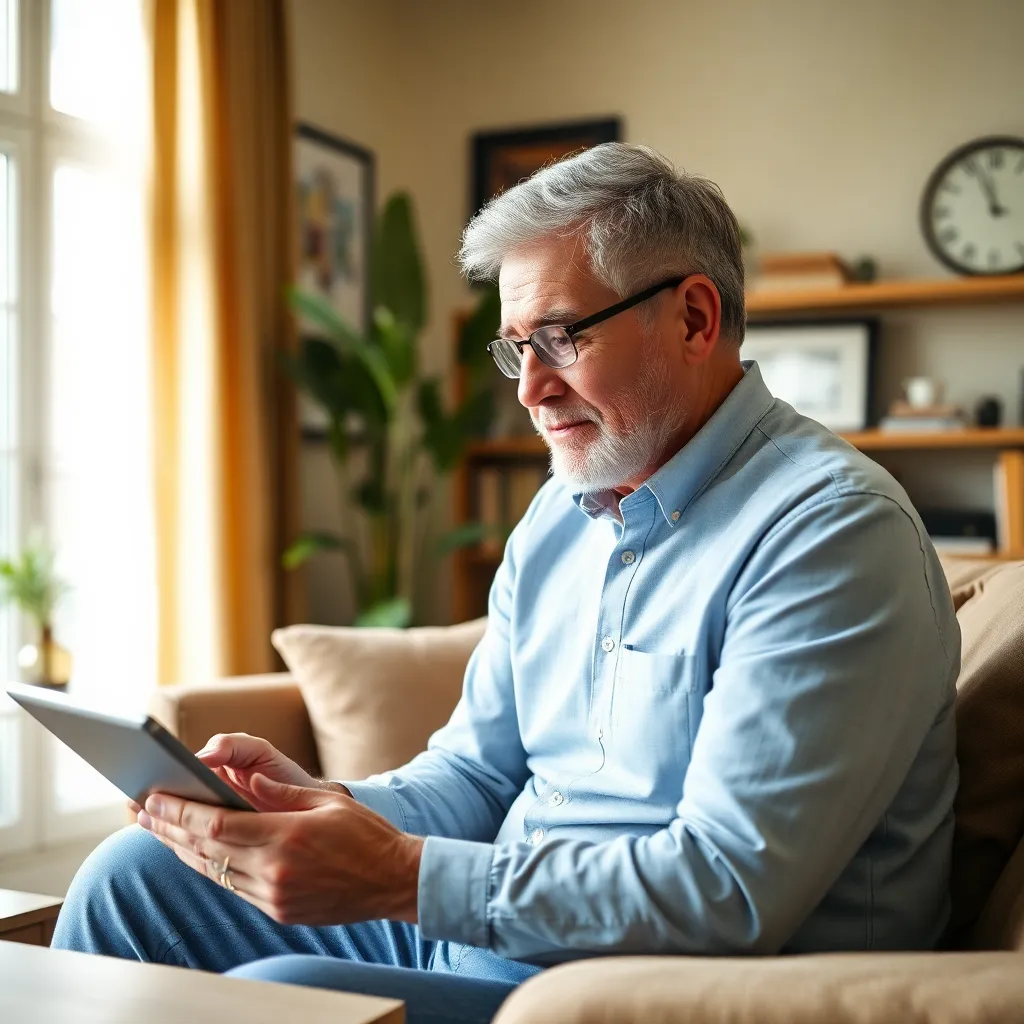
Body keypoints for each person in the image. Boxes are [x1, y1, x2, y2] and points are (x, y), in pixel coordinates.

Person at [53, 143, 959, 1023]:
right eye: (515, 347)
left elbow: (730, 892)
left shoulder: (831, 533)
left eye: (561, 339)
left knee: (289, 994)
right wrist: (327, 811)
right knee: (136, 878)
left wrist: (398, 876)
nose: (530, 390)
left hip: (669, 992)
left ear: (692, 318)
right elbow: (479, 773)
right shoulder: (563, 515)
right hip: (484, 938)